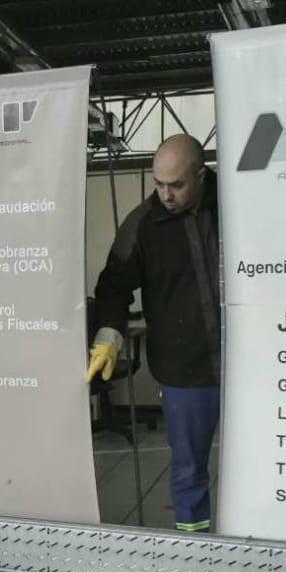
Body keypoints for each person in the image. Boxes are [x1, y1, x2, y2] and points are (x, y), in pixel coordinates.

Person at [88, 134, 222, 533]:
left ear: (201, 175)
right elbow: (112, 285)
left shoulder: (240, 201)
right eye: (158, 183)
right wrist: (109, 334)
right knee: (189, 470)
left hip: (253, 362)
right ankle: (197, 555)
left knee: (266, 459)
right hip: (185, 370)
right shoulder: (143, 224)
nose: (165, 194)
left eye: (176, 185)